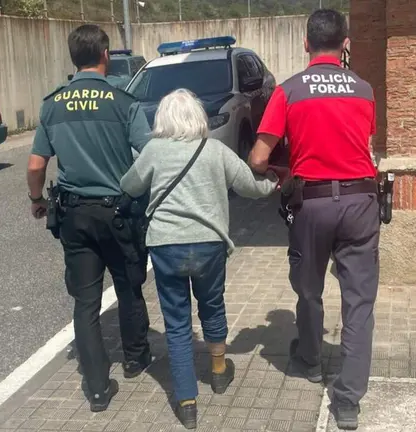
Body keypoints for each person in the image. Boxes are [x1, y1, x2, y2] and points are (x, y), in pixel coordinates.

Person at [247, 9, 380, 431]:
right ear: (345, 44)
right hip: (362, 202)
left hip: (313, 203)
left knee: (308, 288)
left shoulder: (288, 91)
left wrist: (279, 172)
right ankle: (348, 402)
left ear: (306, 44)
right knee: (359, 303)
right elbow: (365, 141)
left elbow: (258, 157)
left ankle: (308, 358)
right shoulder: (363, 89)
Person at [120, 88, 281, 429]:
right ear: (198, 117)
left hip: (166, 246)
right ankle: (219, 372)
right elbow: (248, 185)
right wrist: (274, 183)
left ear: (162, 120)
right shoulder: (215, 151)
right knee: (212, 305)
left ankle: (187, 401)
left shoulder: (153, 150)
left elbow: (130, 186)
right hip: (209, 245)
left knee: (177, 324)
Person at [26, 24, 153, 412]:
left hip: (74, 213)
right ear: (106, 55)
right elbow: (149, 157)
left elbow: (35, 165)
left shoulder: (53, 104)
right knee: (129, 286)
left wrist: (37, 199)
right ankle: (135, 358)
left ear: (73, 58)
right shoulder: (122, 100)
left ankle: (97, 388)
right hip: (118, 211)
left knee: (85, 302)